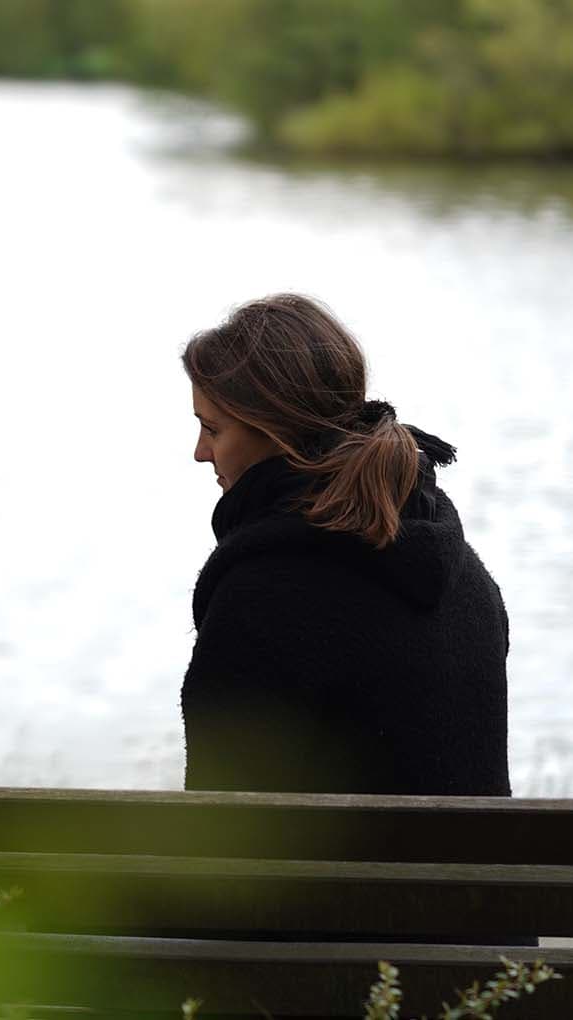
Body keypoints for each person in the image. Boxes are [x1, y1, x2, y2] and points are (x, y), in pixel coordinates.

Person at [180, 294, 510, 795]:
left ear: (275, 433)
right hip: (481, 875)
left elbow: (221, 832)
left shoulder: (264, 597)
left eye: (212, 429)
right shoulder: (465, 576)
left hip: (335, 878)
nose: (201, 453)